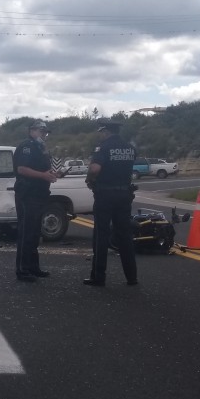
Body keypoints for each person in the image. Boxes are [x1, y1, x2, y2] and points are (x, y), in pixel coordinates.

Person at [83, 120, 138, 286]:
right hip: (124, 195)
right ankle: (132, 277)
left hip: (105, 195)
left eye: (102, 131)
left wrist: (89, 179)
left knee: (101, 235)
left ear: (106, 131)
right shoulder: (130, 148)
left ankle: (98, 277)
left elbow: (94, 169)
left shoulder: (104, 147)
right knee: (125, 236)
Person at [12, 120, 57, 282]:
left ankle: (33, 267)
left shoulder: (40, 148)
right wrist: (44, 176)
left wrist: (51, 174)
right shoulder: (27, 146)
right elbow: (22, 169)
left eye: (45, 132)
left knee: (35, 232)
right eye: (41, 131)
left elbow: (41, 169)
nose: (44, 135)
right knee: (26, 232)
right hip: (28, 193)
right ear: (32, 131)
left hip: (39, 193)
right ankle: (23, 269)